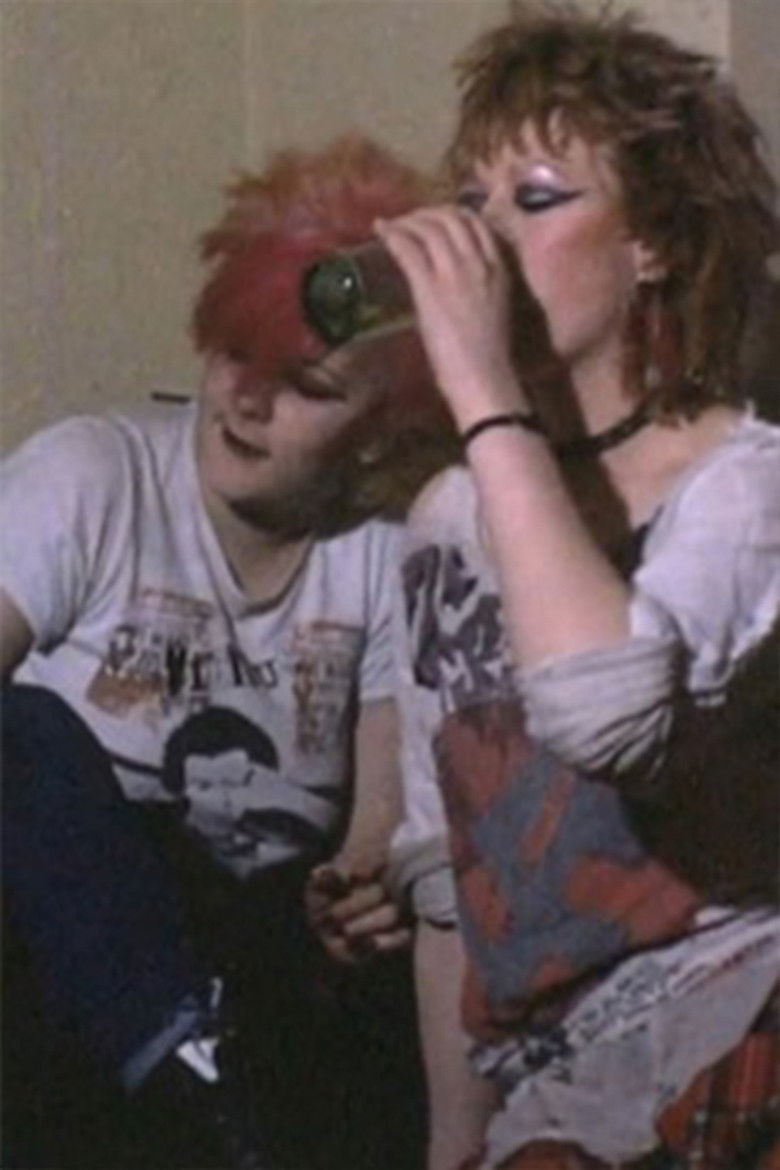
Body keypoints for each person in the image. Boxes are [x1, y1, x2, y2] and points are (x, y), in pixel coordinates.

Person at [377, 5, 780, 1169]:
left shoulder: (744, 482)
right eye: (472, 203)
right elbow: (452, 880)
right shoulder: (449, 519)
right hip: (558, 1086)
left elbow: (604, 711)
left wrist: (484, 391)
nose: (487, 242)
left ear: (654, 242)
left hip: (734, 1015)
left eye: (539, 199)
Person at [1, 133, 453, 1170]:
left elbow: (382, 816)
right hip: (62, 934)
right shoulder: (93, 478)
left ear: (375, 431)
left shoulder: (383, 549)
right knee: (19, 729)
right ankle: (183, 1071)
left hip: (258, 951)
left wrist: (358, 887)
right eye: (234, 353)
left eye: (306, 384)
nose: (248, 399)